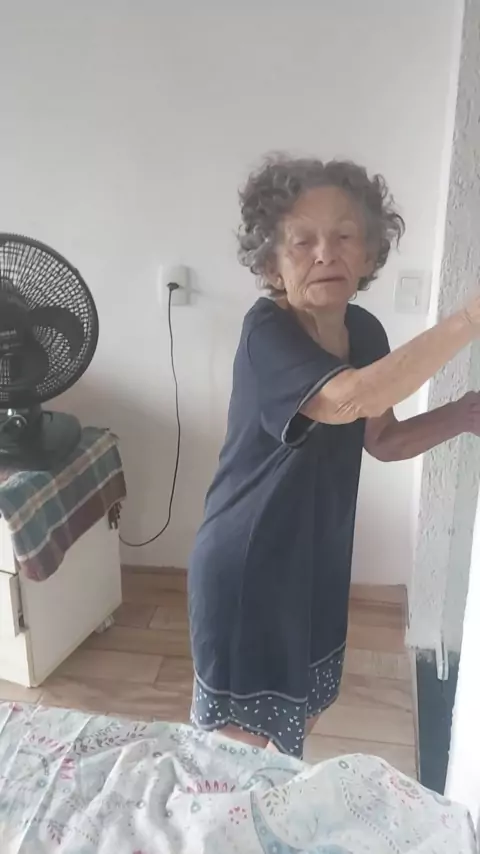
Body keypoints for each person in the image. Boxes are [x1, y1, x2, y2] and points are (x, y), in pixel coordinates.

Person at [188, 155, 480, 758]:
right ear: (270, 264)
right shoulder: (266, 333)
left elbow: (383, 438)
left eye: (345, 236)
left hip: (318, 561)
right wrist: (469, 319)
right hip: (248, 565)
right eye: (303, 242)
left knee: (304, 714)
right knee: (234, 752)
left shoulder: (365, 333)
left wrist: (460, 415)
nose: (326, 254)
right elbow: (348, 399)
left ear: (370, 255)